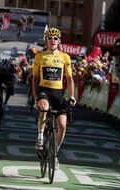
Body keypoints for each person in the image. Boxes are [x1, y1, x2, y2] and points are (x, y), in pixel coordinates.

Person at [32, 27, 76, 169]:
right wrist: (35, 97)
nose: (52, 40)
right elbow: (35, 78)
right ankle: (40, 138)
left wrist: (72, 96)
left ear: (59, 41)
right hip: (44, 91)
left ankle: (54, 153)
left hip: (58, 94)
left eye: (55, 38)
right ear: (46, 41)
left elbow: (69, 78)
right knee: (44, 108)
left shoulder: (65, 57)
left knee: (62, 125)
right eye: (49, 38)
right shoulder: (40, 56)